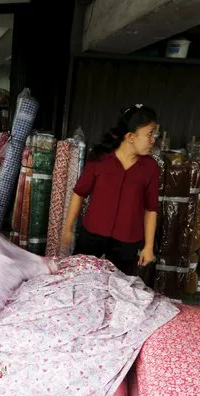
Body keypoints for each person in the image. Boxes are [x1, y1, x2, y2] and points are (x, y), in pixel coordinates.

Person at [62, 105, 159, 275]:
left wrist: (148, 246)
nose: (153, 139)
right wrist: (68, 228)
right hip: (92, 234)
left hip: (127, 242)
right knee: (77, 279)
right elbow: (79, 193)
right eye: (150, 133)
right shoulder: (100, 158)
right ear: (130, 136)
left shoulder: (151, 168)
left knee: (117, 288)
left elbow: (151, 209)